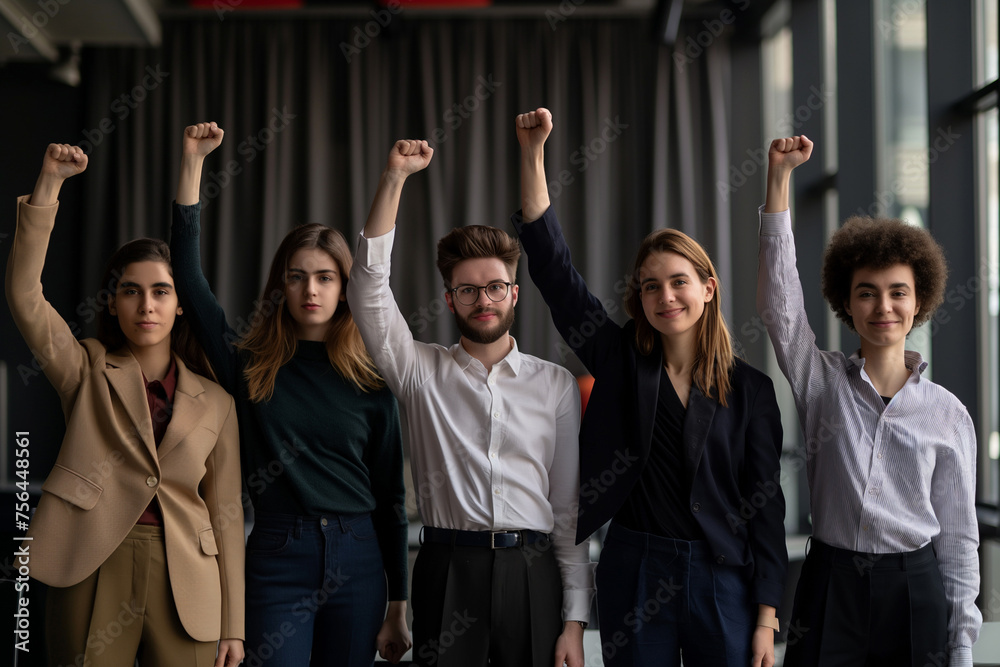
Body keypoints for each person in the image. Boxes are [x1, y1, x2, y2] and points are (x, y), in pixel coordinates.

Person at [511, 108, 787, 667]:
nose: (666, 297)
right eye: (650, 287)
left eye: (679, 282)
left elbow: (766, 506)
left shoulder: (751, 390)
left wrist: (766, 618)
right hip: (634, 568)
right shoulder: (618, 360)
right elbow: (555, 274)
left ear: (708, 288)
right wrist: (533, 153)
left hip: (722, 575)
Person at [346, 138, 595, 667]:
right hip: (446, 566)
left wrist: (574, 619)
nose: (483, 300)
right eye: (467, 290)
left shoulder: (555, 384)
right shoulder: (418, 370)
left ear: (515, 293)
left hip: (533, 569)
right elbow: (368, 289)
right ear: (449, 299)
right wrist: (394, 178)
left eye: (495, 288)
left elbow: (570, 509)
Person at [168, 122, 410, 665]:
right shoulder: (248, 367)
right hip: (277, 556)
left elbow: (393, 500)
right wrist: (192, 164)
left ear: (345, 287)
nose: (311, 290)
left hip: (360, 558)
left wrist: (398, 603)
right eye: (298, 276)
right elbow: (189, 280)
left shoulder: (373, 381)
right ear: (282, 285)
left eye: (325, 277)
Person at [6, 143, 245, 667]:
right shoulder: (84, 368)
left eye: (161, 291)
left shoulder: (219, 402)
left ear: (181, 304)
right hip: (90, 560)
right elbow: (25, 294)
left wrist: (235, 626)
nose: (147, 304)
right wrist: (49, 184)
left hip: (188, 580)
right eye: (131, 291)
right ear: (112, 302)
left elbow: (227, 516)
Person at [759, 135, 981, 666]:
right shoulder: (821, 380)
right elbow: (779, 306)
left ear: (919, 300)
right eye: (867, 292)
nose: (884, 306)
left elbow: (958, 537)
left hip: (916, 587)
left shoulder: (948, 413)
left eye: (898, 291)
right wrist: (778, 179)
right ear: (847, 303)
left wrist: (963, 645)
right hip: (830, 583)